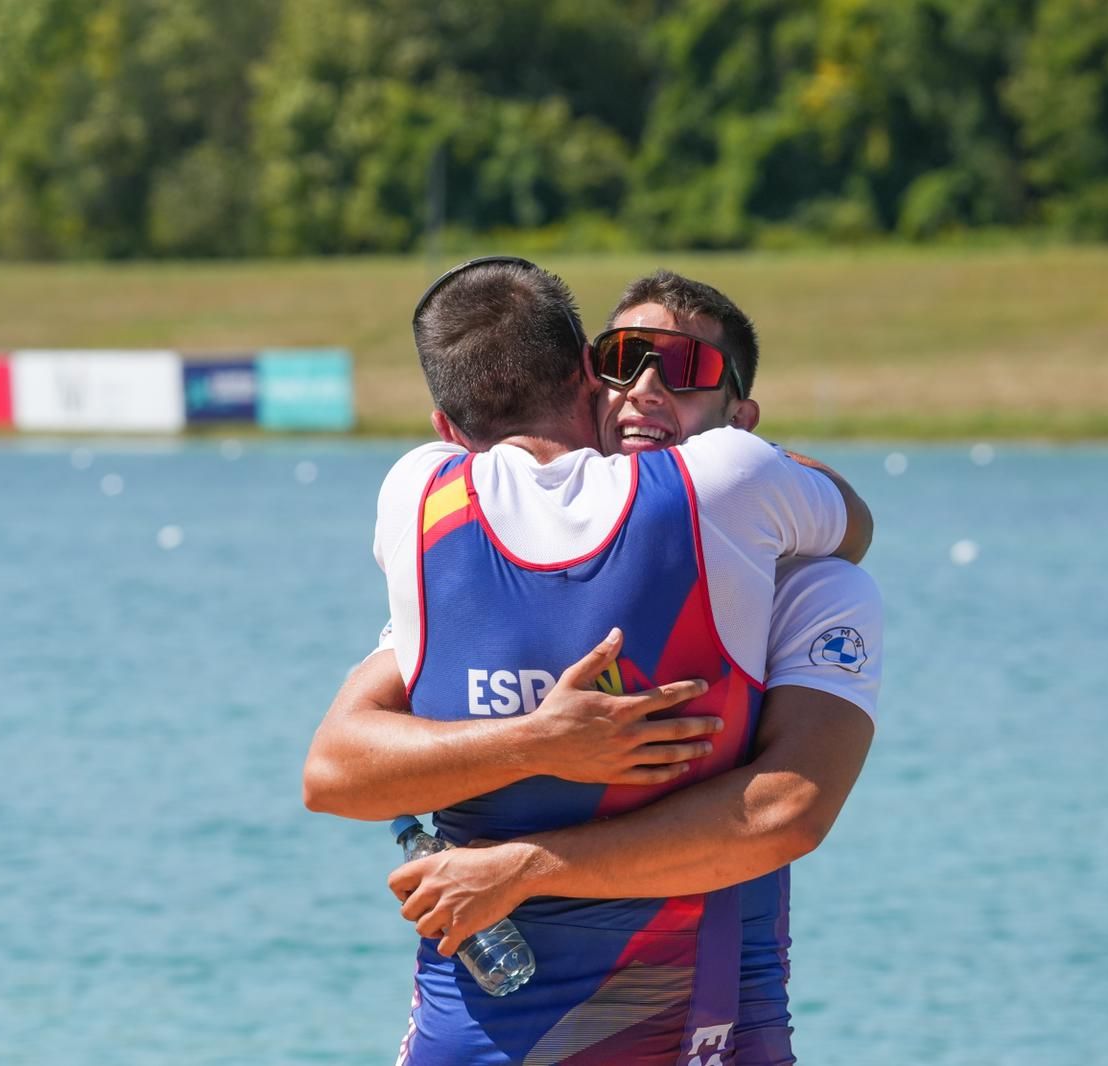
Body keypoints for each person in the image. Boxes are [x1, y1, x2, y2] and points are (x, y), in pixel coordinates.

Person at [306, 260, 879, 1063]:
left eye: (685, 370)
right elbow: (333, 772)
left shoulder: (813, 582)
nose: (643, 385)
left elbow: (788, 813)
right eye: (619, 359)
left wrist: (526, 869)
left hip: (701, 1037)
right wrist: (539, 740)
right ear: (583, 379)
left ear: (739, 418)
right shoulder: (464, 548)